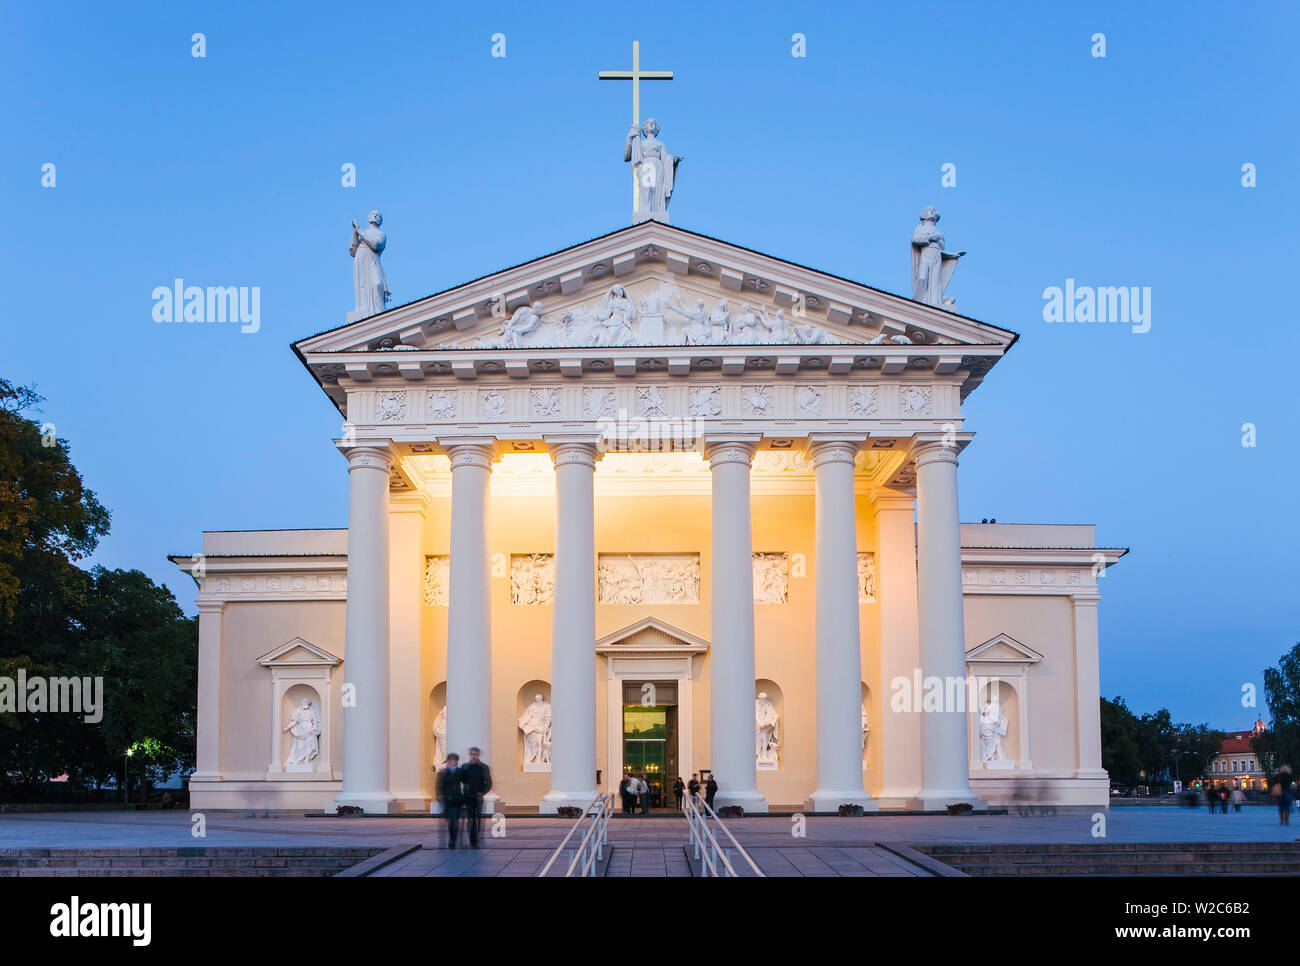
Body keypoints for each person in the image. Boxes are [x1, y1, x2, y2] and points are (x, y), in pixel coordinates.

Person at [460, 746, 492, 848]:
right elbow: (462, 780)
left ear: (478, 755)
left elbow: (489, 782)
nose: (474, 756)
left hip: (478, 797)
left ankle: (475, 839)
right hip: (468, 797)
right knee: (470, 819)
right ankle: (471, 839)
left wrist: (482, 793)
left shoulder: (484, 767)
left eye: (476, 754)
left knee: (477, 819)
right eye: (472, 754)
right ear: (470, 755)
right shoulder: (465, 767)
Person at [436, 753, 465, 849]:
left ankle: (452, 840)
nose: (452, 762)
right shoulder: (442, 773)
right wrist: (439, 797)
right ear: (448, 761)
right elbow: (438, 786)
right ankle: (452, 838)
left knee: (454, 820)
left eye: (454, 760)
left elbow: (466, 785)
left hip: (457, 800)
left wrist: (465, 798)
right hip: (446, 800)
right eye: (450, 760)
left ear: (456, 761)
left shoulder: (461, 772)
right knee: (450, 820)